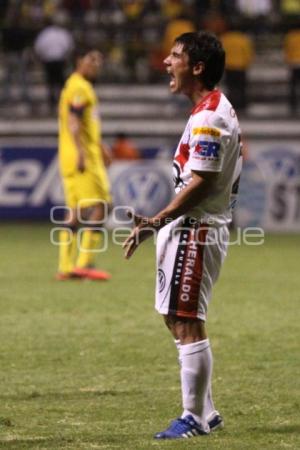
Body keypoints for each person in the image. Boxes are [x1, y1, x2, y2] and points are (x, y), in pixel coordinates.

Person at [123, 31, 243, 439]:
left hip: (196, 229)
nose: (165, 62)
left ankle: (194, 416)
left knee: (187, 319)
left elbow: (203, 183)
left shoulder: (210, 117)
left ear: (197, 67)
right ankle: (206, 410)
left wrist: (155, 221)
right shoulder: (207, 110)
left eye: (175, 56)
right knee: (176, 316)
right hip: (190, 228)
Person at [56, 46, 112, 281]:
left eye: (99, 60)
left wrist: (100, 146)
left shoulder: (74, 85)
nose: (96, 64)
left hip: (73, 154)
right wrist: (82, 152)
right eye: (92, 59)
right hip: (82, 157)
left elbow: (84, 125)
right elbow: (73, 121)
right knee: (102, 204)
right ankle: (84, 261)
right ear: (79, 60)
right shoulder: (80, 87)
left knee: (76, 210)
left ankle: (66, 266)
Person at [34, 15, 74, 112]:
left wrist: (42, 56)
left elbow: (38, 47)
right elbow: (69, 46)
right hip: (59, 60)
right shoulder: (63, 33)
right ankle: (61, 101)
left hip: (49, 61)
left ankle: (53, 102)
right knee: (60, 82)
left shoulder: (45, 34)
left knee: (51, 82)